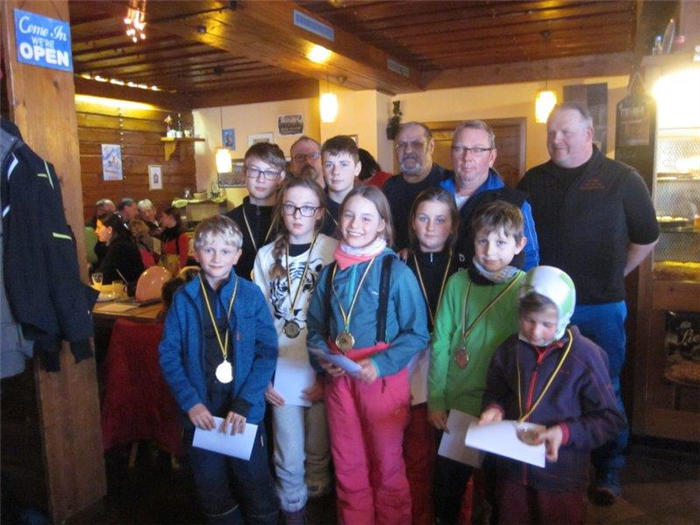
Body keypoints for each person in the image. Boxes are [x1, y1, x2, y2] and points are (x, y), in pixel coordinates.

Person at [517, 103, 659, 504]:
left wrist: (617, 273)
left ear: (588, 133)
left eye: (565, 132)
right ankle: (554, 468)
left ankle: (609, 470)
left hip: (601, 307)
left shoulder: (622, 178)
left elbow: (647, 236)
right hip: (544, 310)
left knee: (605, 388)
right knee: (544, 389)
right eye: (551, 133)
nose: (556, 140)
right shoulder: (533, 179)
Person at [307, 185, 429, 525]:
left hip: (382, 378)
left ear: (381, 225)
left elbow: (418, 333)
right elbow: (315, 327)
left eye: (365, 218)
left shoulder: (396, 272)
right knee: (347, 464)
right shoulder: (330, 272)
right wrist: (323, 357)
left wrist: (379, 363)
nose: (355, 224)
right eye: (348, 215)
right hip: (339, 379)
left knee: (386, 465)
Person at [479, 265, 625, 525]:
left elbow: (610, 419)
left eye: (547, 324)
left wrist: (565, 432)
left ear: (565, 315)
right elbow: (495, 391)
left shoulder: (585, 357)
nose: (535, 331)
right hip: (512, 473)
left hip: (560, 480)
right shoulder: (509, 350)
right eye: (529, 320)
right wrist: (495, 408)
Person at [159, 215, 279, 525]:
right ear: (196, 253)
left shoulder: (251, 295)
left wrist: (246, 401)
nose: (216, 258)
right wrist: (190, 402)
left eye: (225, 251)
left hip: (244, 410)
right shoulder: (183, 299)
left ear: (237, 255)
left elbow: (267, 352)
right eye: (209, 250)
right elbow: (169, 355)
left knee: (255, 483)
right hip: (201, 411)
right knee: (210, 486)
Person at [428, 200, 528, 525]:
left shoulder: (525, 288)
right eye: (482, 240)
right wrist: (436, 400)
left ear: (519, 245)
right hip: (457, 406)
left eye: (501, 242)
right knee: (448, 488)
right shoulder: (458, 283)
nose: (489, 250)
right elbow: (441, 344)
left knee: (500, 492)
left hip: (502, 409)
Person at [253, 177, 337, 524]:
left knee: (319, 447)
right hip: (280, 369)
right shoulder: (265, 255)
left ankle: (316, 503)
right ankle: (291, 503)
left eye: (306, 208)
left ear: (319, 212)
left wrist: (327, 377)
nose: (297, 215)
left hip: (321, 365)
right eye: (290, 207)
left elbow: (340, 317)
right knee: (287, 449)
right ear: (281, 210)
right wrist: (262, 377)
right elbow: (258, 322)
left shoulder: (334, 250)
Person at [403, 187, 459, 525]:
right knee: (418, 453)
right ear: (412, 222)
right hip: (415, 368)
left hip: (457, 369)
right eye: (423, 218)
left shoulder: (466, 266)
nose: (430, 227)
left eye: (440, 220)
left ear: (452, 225)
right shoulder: (399, 262)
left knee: (456, 458)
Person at [440, 120, 539, 270]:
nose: (467, 157)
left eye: (477, 150)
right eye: (460, 148)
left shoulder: (515, 203)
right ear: (451, 154)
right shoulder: (434, 196)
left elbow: (530, 259)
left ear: (492, 157)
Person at [383, 122, 452, 251]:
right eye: (401, 145)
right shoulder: (388, 188)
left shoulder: (450, 184)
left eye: (416, 144)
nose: (408, 150)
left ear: (431, 146)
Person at [225, 143, 286, 280]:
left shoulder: (289, 218)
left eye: (269, 172)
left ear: (280, 178)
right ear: (244, 173)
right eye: (254, 171)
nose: (260, 179)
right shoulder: (228, 221)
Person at [319, 135, 361, 237]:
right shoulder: (315, 209)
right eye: (329, 165)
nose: (336, 172)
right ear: (323, 169)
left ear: (357, 168)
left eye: (344, 164)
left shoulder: (370, 206)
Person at [94, 212, 145, 285]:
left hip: (129, 289)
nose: (96, 231)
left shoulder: (119, 247)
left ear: (109, 229)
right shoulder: (121, 242)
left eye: (99, 227)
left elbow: (103, 274)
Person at [160, 206, 190, 275]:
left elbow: (183, 259)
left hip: (176, 272)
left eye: (163, 217)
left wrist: (177, 274)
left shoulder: (181, 236)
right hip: (166, 270)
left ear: (171, 217)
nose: (161, 220)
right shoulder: (165, 234)